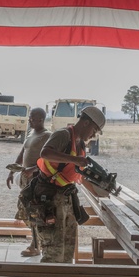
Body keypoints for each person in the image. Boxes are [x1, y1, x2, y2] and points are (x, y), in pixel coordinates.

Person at [31, 105, 105, 263]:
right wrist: (75, 159)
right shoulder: (62, 135)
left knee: (67, 250)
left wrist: (99, 195)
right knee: (53, 252)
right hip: (50, 198)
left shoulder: (80, 145)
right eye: (94, 130)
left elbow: (80, 176)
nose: (93, 135)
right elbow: (45, 153)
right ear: (86, 123)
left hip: (67, 198)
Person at [6, 107, 49, 257]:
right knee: (25, 211)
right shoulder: (31, 134)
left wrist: (33, 168)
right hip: (26, 179)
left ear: (41, 120)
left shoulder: (47, 136)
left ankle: (36, 245)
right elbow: (22, 154)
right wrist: (12, 171)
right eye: (29, 117)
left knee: (34, 212)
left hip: (36, 180)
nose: (29, 120)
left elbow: (49, 159)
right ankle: (38, 242)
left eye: (32, 117)